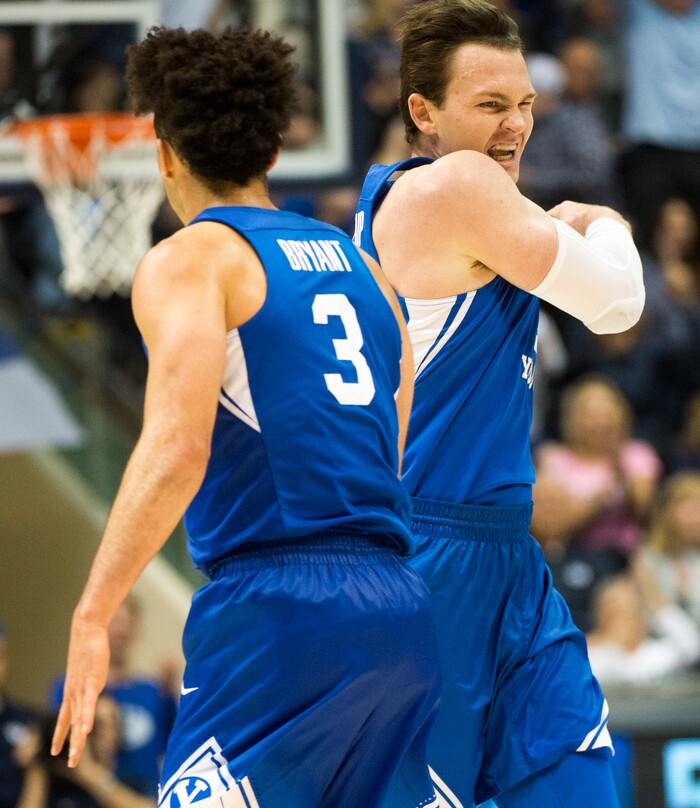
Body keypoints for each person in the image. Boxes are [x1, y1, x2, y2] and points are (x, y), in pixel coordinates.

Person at [50, 24, 440, 808]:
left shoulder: (193, 259)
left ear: (164, 153)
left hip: (280, 612)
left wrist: (93, 612)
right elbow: (389, 449)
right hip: (401, 608)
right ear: (271, 152)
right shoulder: (368, 273)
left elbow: (178, 445)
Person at [353, 0, 645, 805]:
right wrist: (604, 217)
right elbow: (620, 308)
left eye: (524, 103)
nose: (516, 124)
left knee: (582, 786)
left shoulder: (422, 199)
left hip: (507, 557)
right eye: (489, 105)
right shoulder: (456, 186)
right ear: (423, 111)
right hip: (428, 559)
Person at [50, 596, 177, 798]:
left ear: (137, 631)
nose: (121, 630)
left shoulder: (155, 692)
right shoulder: (74, 685)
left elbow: (173, 744)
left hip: (141, 795)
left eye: (128, 623)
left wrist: (170, 693)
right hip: (81, 795)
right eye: (116, 621)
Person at [536, 374, 663, 558]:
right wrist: (599, 500)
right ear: (572, 419)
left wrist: (619, 466)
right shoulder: (553, 458)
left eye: (606, 413)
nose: (600, 421)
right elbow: (553, 524)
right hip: (571, 554)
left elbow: (646, 514)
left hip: (628, 557)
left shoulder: (637, 454)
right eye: (591, 414)